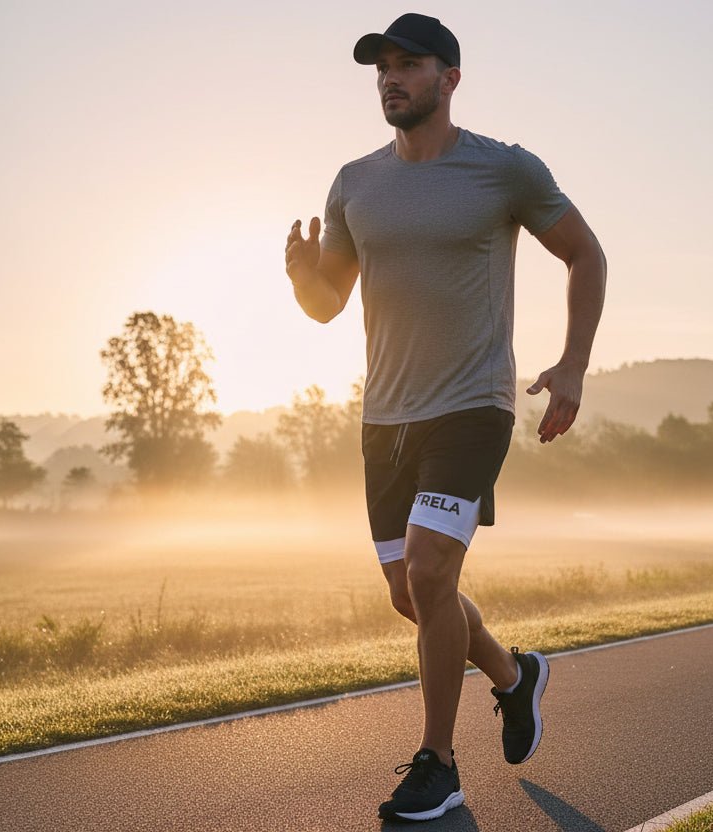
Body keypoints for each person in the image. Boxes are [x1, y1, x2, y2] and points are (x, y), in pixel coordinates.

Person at [285, 12, 606, 823]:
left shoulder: (503, 170)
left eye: (409, 64)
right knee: (411, 594)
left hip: (471, 404)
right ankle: (513, 675)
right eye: (381, 67)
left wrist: (572, 362)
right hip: (384, 417)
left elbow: (585, 253)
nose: (391, 78)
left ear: (449, 78)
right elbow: (328, 306)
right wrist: (299, 277)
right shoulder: (355, 180)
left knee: (431, 572)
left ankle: (438, 763)